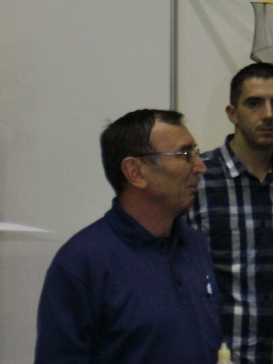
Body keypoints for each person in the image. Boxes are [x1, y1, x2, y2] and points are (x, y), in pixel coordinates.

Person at [34, 108, 221, 364]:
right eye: (185, 154)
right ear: (136, 172)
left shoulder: (194, 243)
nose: (200, 167)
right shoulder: (80, 263)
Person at [187, 62, 273, 364]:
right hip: (219, 355)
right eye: (254, 103)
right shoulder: (197, 177)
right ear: (233, 113)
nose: (268, 114)